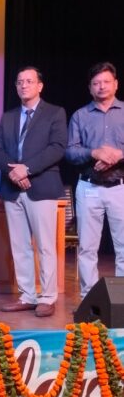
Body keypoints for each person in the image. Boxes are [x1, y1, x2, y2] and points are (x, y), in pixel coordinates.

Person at [0, 66, 67, 317]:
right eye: (19, 82)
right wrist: (14, 172)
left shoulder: (55, 113)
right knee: (20, 246)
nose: (23, 85)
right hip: (12, 189)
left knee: (45, 245)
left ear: (40, 86)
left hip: (42, 187)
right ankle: (27, 295)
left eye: (29, 81)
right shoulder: (9, 116)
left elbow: (57, 147)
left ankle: (47, 296)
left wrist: (27, 169)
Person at [66, 61, 124, 299]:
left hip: (119, 187)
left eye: (106, 82)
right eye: (96, 83)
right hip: (89, 187)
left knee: (123, 248)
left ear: (116, 84)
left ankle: (120, 302)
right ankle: (89, 301)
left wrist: (118, 155)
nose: (102, 86)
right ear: (90, 88)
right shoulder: (80, 115)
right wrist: (94, 153)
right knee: (87, 248)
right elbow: (70, 152)